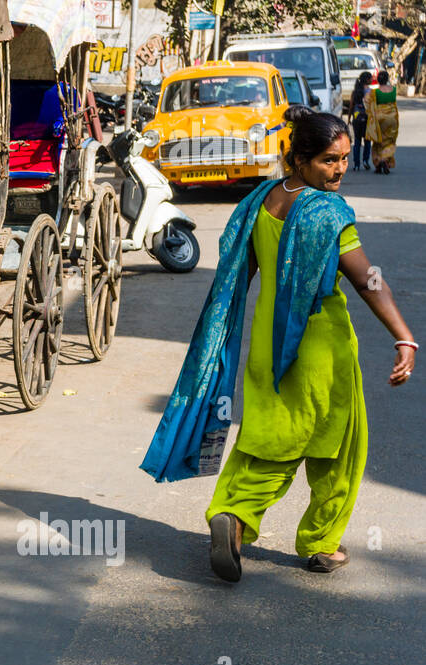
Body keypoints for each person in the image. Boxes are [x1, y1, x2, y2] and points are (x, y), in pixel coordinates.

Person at [141, 107, 415, 581]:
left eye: (346, 159)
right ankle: (321, 543)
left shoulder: (261, 200)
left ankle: (234, 512)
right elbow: (368, 279)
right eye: (330, 160)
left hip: (268, 341)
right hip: (319, 346)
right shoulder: (327, 213)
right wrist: (404, 335)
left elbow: (239, 275)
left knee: (268, 436)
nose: (340, 169)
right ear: (300, 159)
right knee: (336, 444)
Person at [364, 70, 399, 174]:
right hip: (392, 118)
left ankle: (378, 163)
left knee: (378, 141)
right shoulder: (394, 90)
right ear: (387, 79)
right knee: (389, 140)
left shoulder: (375, 92)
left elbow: (367, 101)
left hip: (379, 118)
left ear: (378, 80)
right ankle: (385, 159)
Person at [349, 71, 373, 170]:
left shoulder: (355, 92)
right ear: (367, 80)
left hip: (357, 118)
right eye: (370, 78)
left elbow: (351, 106)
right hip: (367, 118)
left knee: (357, 141)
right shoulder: (370, 91)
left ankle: (356, 163)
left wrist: (349, 118)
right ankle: (365, 160)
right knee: (367, 141)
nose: (372, 80)